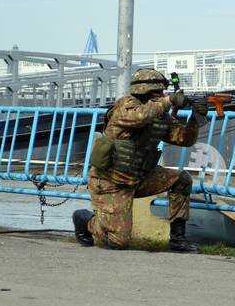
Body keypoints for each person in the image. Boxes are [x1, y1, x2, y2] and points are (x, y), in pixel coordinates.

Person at [72, 68, 207, 253]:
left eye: (163, 93)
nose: (162, 95)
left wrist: (196, 118)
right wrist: (169, 101)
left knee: (181, 179)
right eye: (157, 92)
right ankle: (85, 221)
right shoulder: (126, 106)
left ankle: (177, 239)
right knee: (118, 241)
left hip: (139, 177)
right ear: (144, 91)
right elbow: (140, 117)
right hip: (111, 181)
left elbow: (183, 139)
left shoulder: (160, 115)